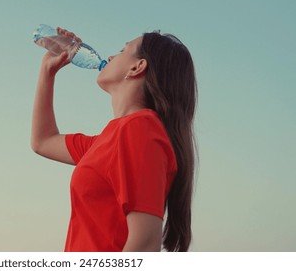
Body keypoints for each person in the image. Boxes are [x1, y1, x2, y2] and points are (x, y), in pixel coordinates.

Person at [31, 27, 197, 252]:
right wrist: (47, 71)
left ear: (137, 67)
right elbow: (43, 141)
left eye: (122, 50)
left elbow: (146, 242)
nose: (109, 56)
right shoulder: (114, 137)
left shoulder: (140, 129)